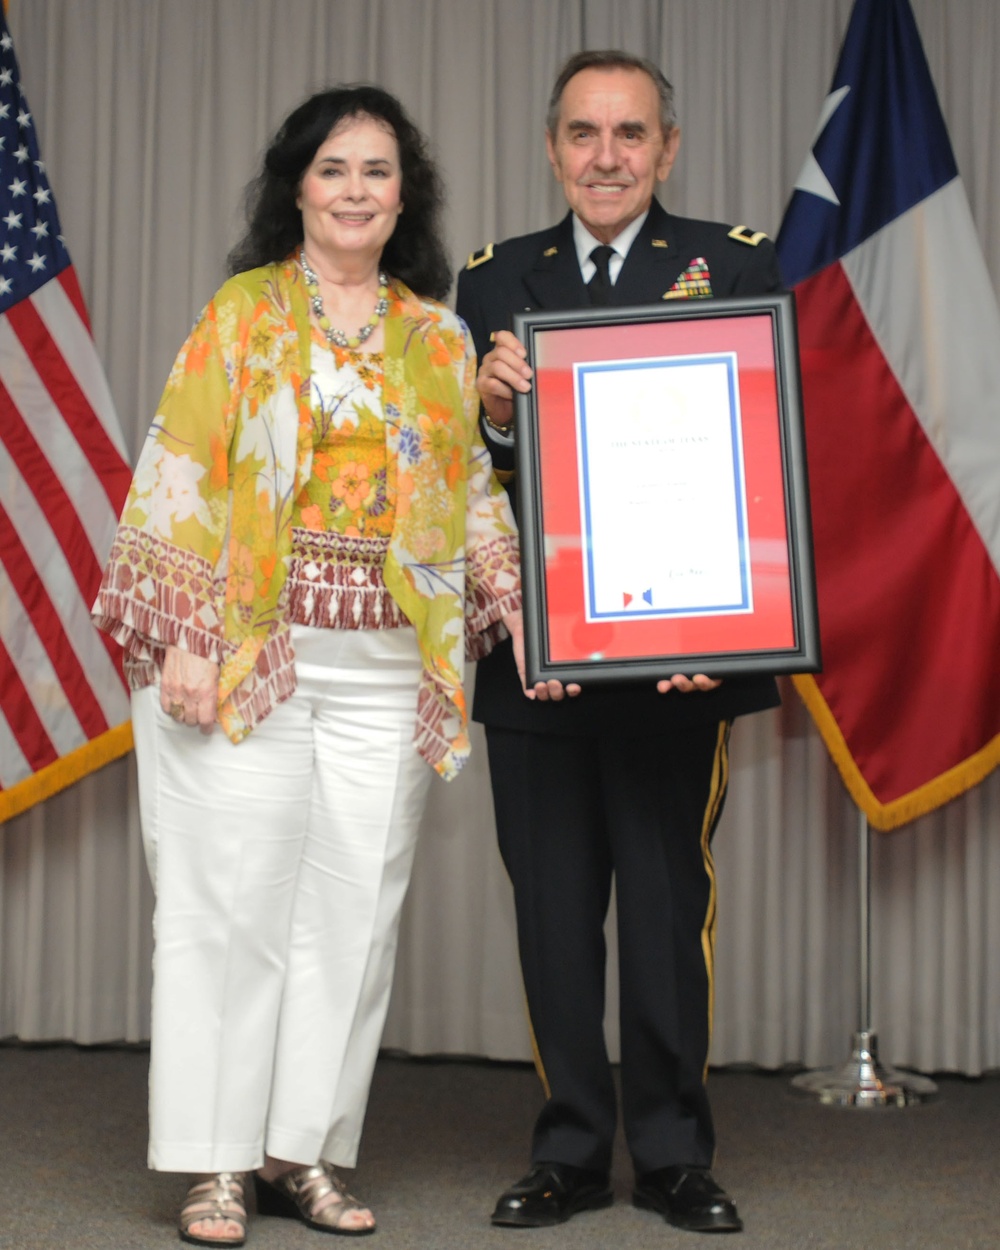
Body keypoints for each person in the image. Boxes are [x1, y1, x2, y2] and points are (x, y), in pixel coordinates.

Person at [93, 85, 523, 1247]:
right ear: (298, 185)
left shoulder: (435, 335)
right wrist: (183, 630)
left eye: (377, 171)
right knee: (226, 909)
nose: (354, 190)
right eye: (334, 168)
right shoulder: (241, 314)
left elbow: (473, 494)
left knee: (353, 916)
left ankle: (305, 1150)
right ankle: (217, 1164)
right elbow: (180, 468)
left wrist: (538, 612)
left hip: (388, 666)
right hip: (245, 655)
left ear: (403, 196)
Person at [456, 49, 782, 1235]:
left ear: (667, 149)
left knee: (661, 917)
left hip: (680, 662)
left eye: (629, 134)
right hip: (533, 667)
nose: (606, 157)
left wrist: (728, 632)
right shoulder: (493, 280)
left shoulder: (737, 264)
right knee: (550, 923)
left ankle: (675, 1151)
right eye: (584, 134)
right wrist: (489, 412)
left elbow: (763, 469)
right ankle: (570, 1152)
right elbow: (464, 483)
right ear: (552, 147)